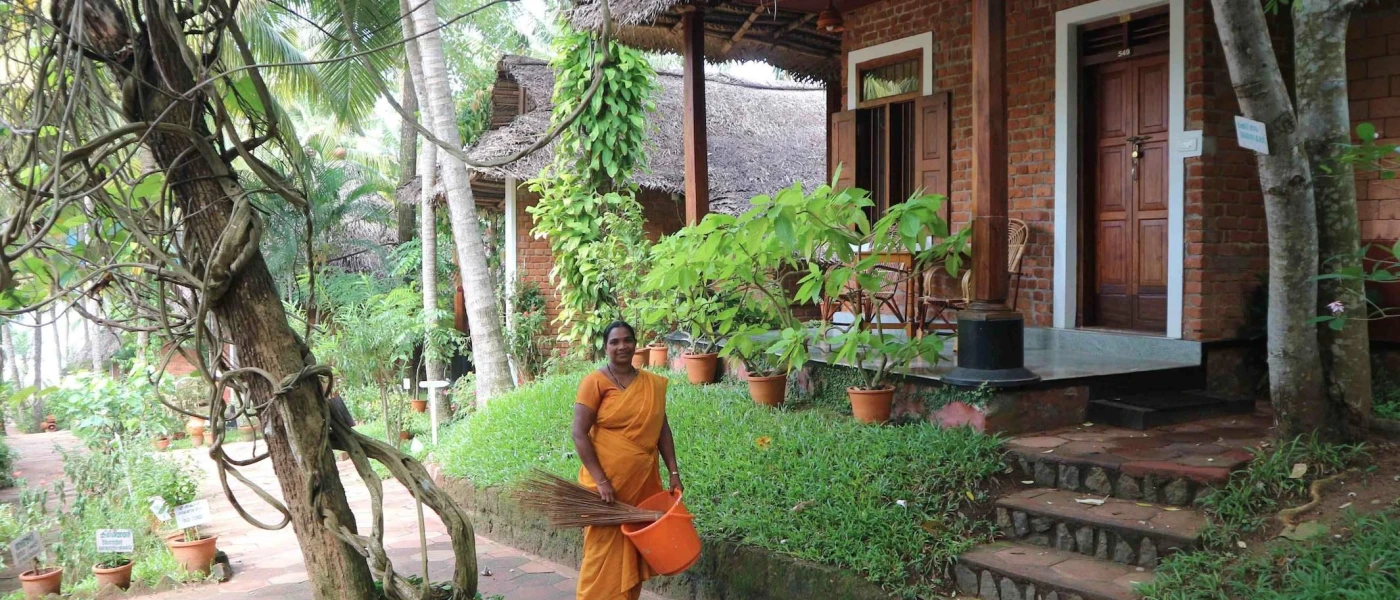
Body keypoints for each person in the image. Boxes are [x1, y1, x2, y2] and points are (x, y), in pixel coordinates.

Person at [573, 321, 684, 600]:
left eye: (627, 340)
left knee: (632, 552)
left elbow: (662, 429)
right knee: (600, 552)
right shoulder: (594, 382)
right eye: (615, 341)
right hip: (606, 489)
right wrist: (601, 481)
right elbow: (579, 434)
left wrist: (673, 471)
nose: (622, 346)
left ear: (636, 343)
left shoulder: (651, 384)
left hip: (642, 484)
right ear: (605, 346)